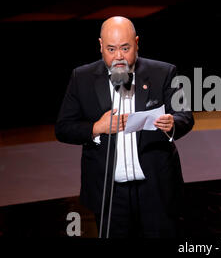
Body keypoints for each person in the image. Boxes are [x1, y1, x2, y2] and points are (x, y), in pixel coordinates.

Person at [55, 16, 194, 237]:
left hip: (155, 190)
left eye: (125, 48)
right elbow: (63, 128)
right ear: (100, 45)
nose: (119, 56)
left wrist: (172, 123)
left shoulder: (164, 73)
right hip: (109, 195)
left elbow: (185, 116)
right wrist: (96, 128)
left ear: (137, 43)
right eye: (111, 49)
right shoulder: (81, 78)